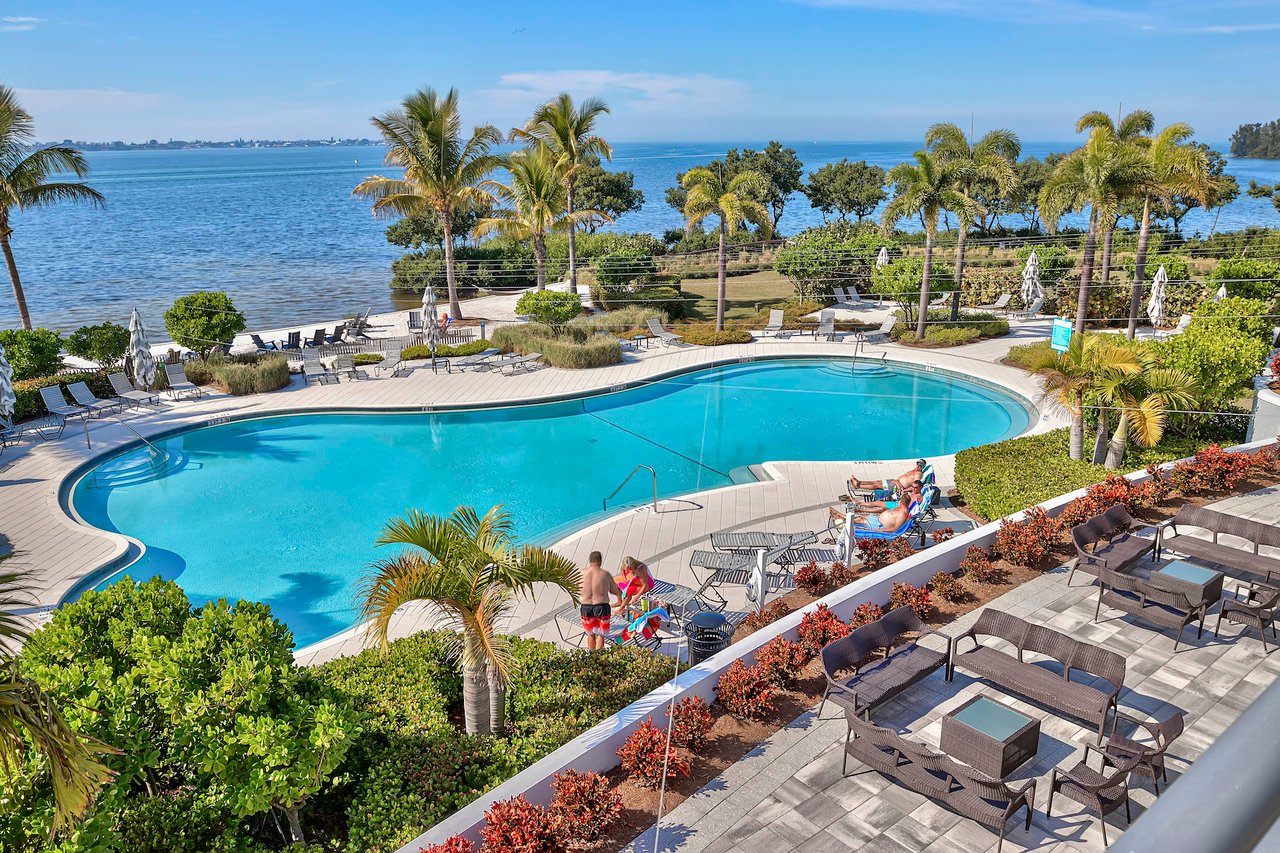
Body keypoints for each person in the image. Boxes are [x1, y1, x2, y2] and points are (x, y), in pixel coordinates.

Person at [579, 551, 613, 651]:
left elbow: (576, 589)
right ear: (600, 561)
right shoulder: (605, 574)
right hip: (602, 607)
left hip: (586, 607)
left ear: (590, 561)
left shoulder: (581, 574)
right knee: (601, 635)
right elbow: (615, 590)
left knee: (590, 634)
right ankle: (599, 659)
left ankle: (592, 657)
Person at [849, 459, 926, 494]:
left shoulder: (918, 474)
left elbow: (915, 486)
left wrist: (903, 489)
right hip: (895, 481)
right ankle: (859, 482)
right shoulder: (915, 470)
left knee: (877, 485)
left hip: (897, 486)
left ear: (923, 467)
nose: (918, 465)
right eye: (918, 463)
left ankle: (858, 486)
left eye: (920, 465)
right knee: (876, 482)